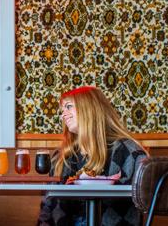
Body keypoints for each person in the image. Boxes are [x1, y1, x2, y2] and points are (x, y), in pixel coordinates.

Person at [37, 86, 148, 226]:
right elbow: (48, 206)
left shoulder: (128, 151)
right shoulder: (61, 157)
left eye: (69, 107)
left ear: (90, 109)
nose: (63, 114)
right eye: (62, 110)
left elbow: (143, 199)